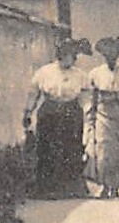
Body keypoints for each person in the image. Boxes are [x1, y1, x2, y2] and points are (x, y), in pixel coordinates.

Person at [23, 38, 91, 198]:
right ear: (59, 55)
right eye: (66, 55)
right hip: (50, 112)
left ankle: (71, 188)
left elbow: (85, 98)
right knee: (47, 149)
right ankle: (47, 188)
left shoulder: (80, 75)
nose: (69, 59)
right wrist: (28, 112)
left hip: (71, 112)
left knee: (72, 148)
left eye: (72, 56)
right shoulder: (44, 72)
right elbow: (34, 93)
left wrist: (88, 114)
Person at [85, 36, 119, 199]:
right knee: (103, 150)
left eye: (114, 53)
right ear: (103, 55)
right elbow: (91, 97)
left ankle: (116, 185)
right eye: (108, 54)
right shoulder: (95, 73)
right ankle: (104, 185)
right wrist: (91, 116)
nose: (111, 57)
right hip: (102, 113)